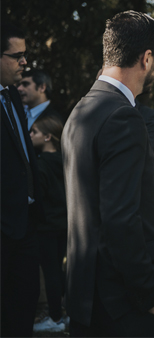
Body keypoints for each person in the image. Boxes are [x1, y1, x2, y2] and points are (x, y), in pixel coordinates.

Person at [63, 11, 154, 336]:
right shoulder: (122, 117)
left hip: (87, 296)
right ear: (147, 58)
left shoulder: (83, 108)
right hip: (123, 306)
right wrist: (151, 295)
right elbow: (120, 219)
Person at [0, 22, 41, 338]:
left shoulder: (13, 95)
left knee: (24, 306)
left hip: (27, 222)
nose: (25, 63)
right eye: (18, 56)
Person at [28, 115, 69, 333]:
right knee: (61, 271)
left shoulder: (40, 165)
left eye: (33, 132)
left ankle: (55, 318)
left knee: (51, 272)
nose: (30, 135)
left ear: (47, 137)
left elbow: (39, 200)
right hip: (65, 225)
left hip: (47, 227)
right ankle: (66, 313)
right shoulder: (67, 161)